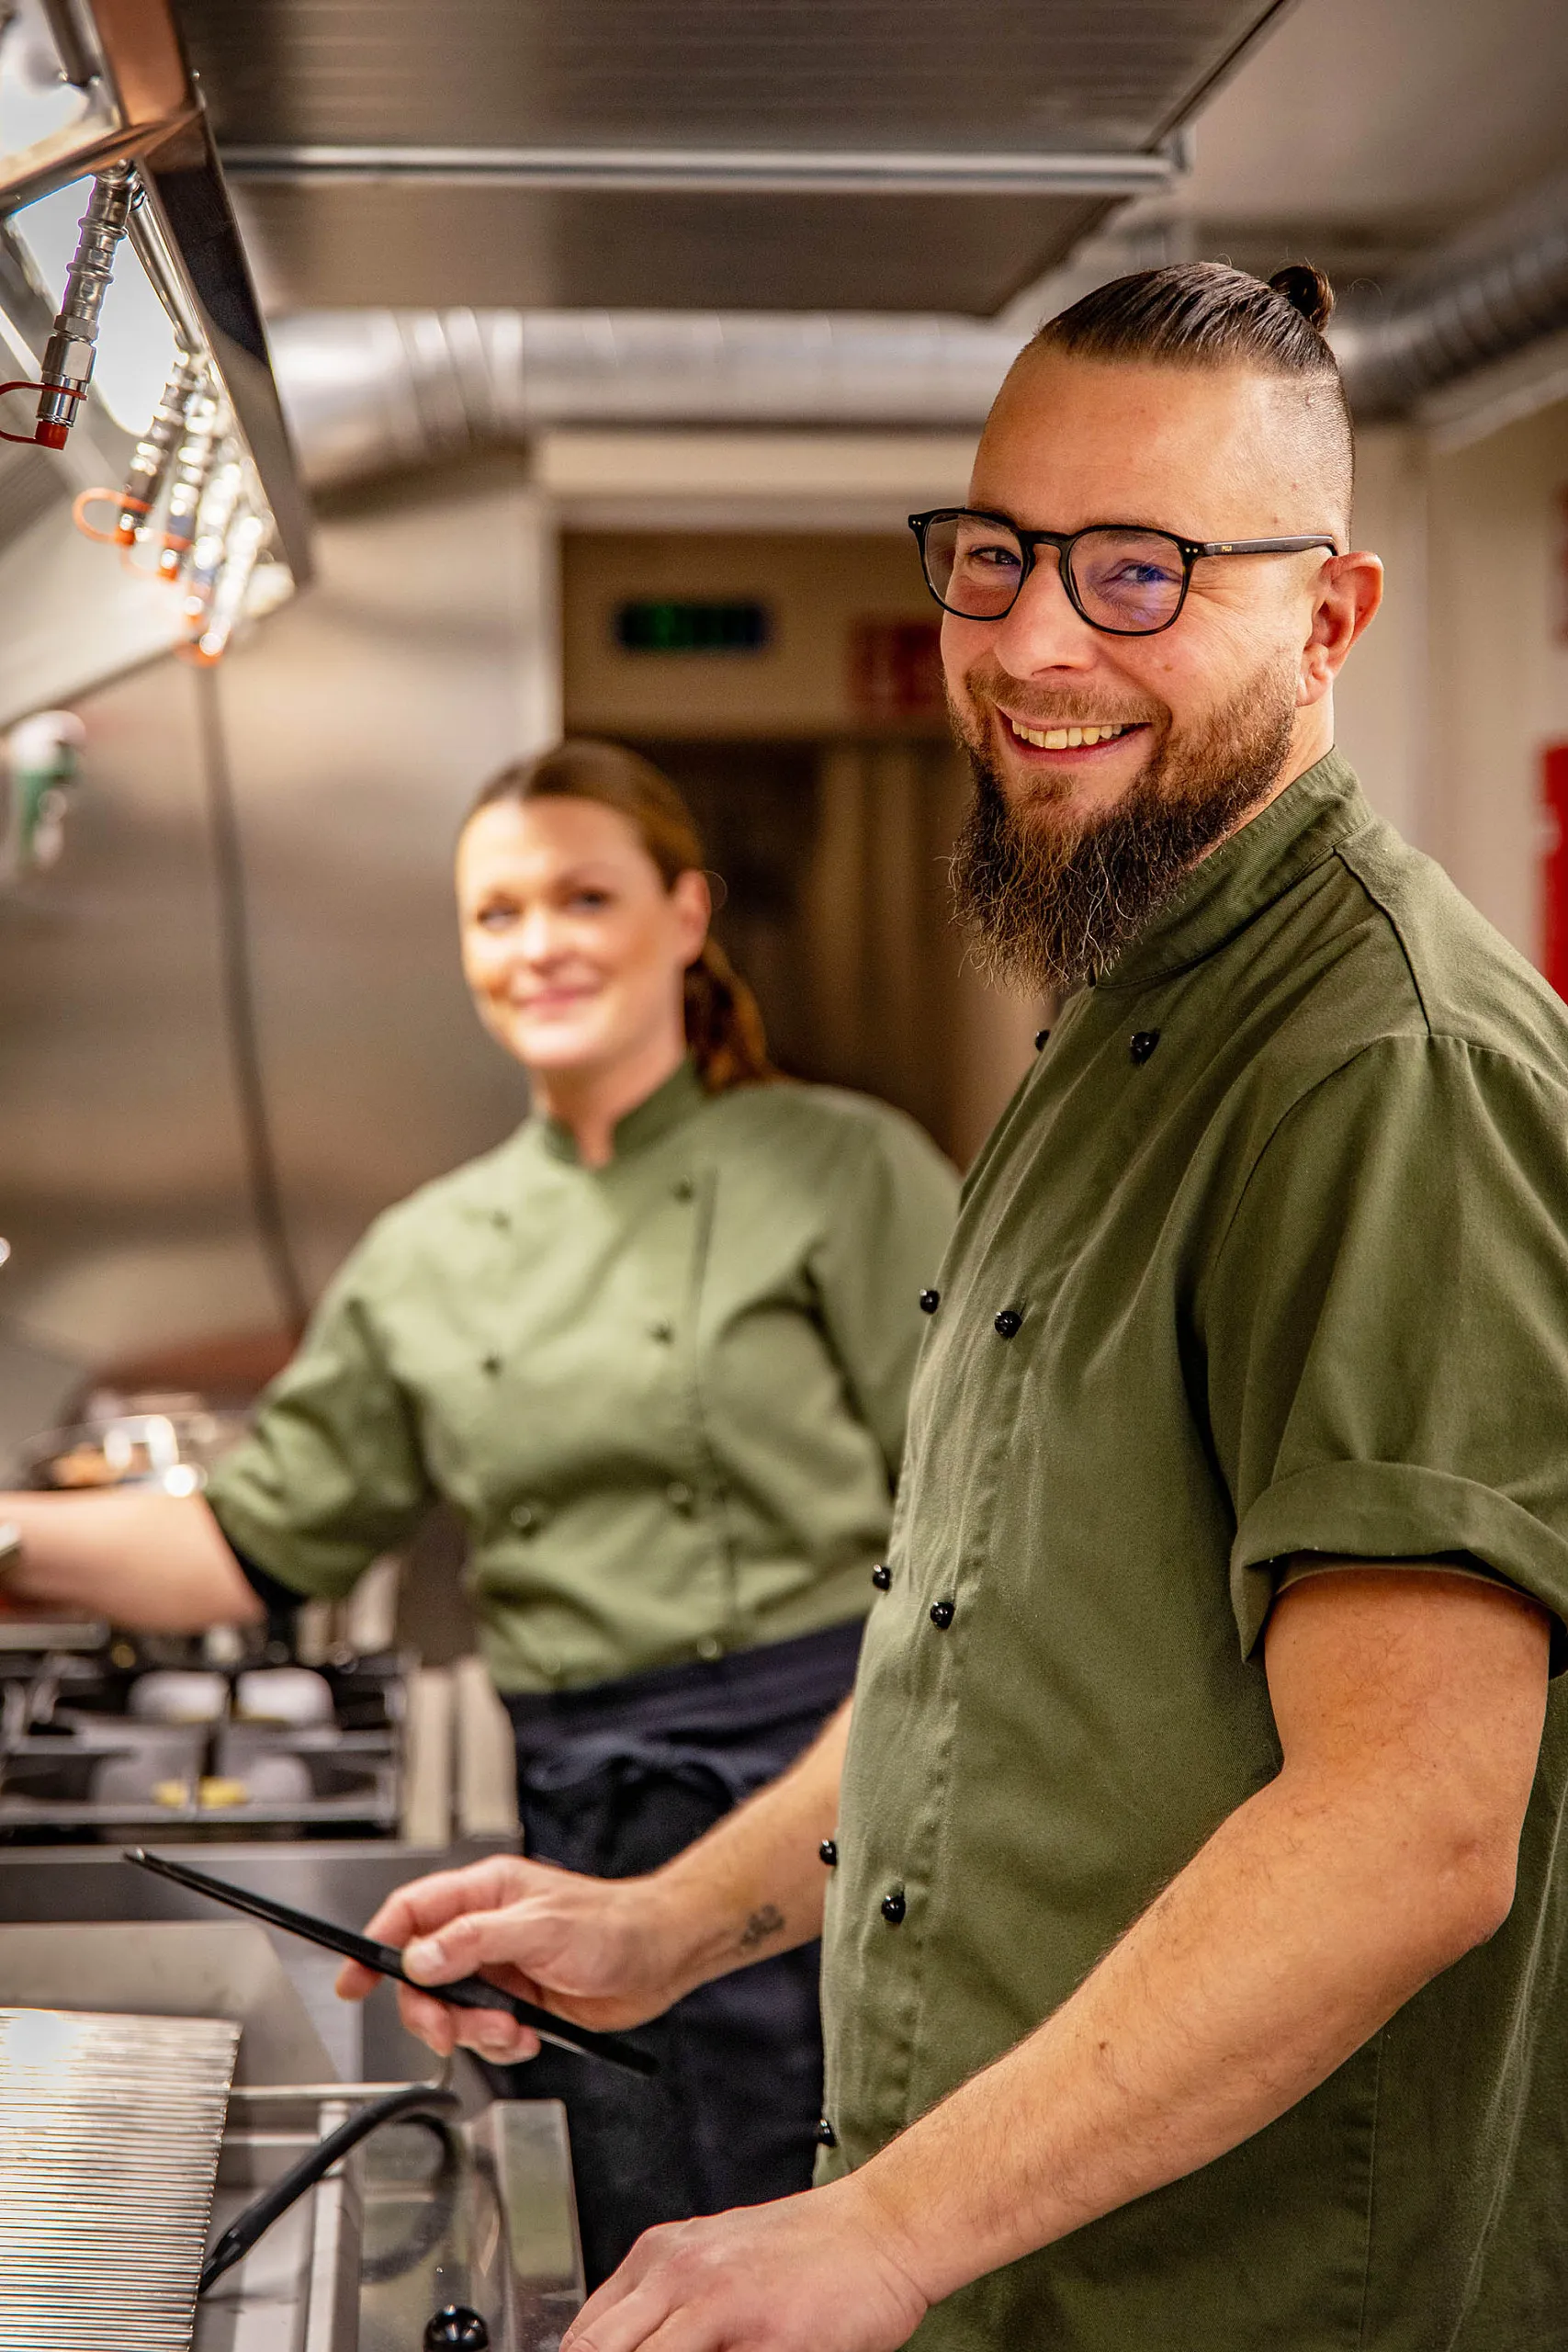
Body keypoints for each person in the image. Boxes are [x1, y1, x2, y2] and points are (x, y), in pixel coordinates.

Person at [335, 264, 1568, 2352]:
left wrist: (883, 2225)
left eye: (1138, 569)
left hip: (1241, 2299)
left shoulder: (1380, 1069)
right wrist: (665, 1925)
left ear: (1329, 617)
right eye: (992, 554)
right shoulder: (1115, 1014)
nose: (1026, 642)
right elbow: (996, 1670)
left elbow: (1411, 1826)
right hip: (1030, 2259)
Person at [0, 737, 958, 2287]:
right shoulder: (429, 1251)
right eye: (497, 914)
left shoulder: (845, 1170)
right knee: (641, 2255)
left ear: (686, 914)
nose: (541, 945)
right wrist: (8, 1534)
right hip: (581, 1824)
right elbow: (245, 1543)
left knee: (852, 2251)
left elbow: (972, 1534)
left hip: (840, 1789)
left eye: (584, 897)